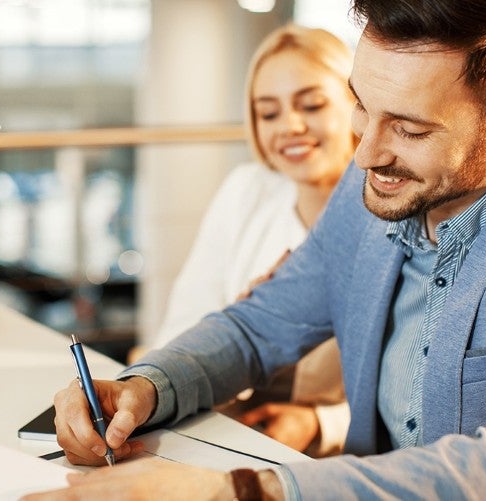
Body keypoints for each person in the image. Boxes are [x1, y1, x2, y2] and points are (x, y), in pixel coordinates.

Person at [26, 1, 486, 499]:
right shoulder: (376, 189)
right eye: (361, 108)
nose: (364, 154)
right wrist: (147, 386)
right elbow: (260, 325)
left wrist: (239, 492)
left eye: (409, 129)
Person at [128, 24, 356, 456]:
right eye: (268, 113)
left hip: (339, 457)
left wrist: (320, 423)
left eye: (311, 105)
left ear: (356, 103)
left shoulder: (390, 210)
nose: (290, 126)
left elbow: (409, 384)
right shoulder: (246, 191)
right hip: (225, 427)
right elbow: (185, 324)